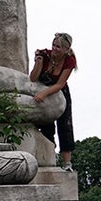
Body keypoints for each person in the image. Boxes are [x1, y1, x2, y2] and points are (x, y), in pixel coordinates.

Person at [31, 33, 78, 170]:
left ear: (66, 49)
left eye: (58, 47)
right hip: (42, 88)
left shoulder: (69, 61)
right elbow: (33, 78)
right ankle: (49, 157)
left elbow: (60, 83)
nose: (55, 49)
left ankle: (67, 163)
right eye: (54, 45)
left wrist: (45, 94)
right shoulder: (44, 55)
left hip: (59, 92)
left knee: (65, 124)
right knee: (46, 125)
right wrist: (38, 62)